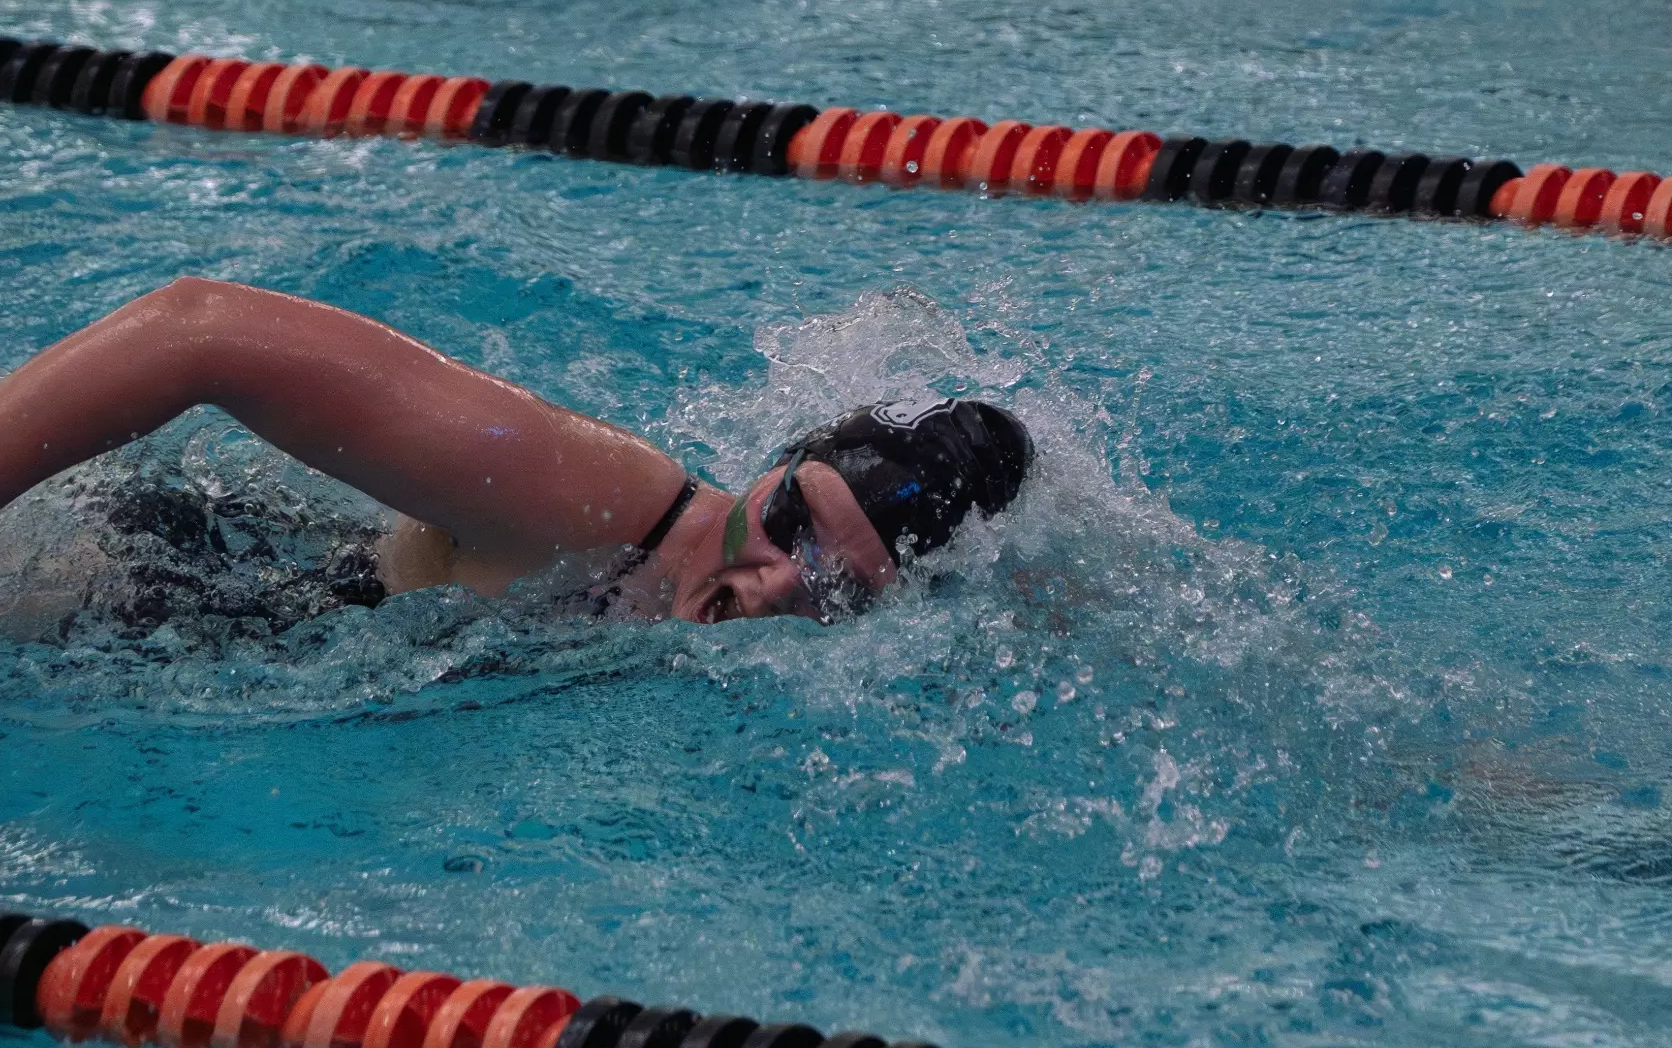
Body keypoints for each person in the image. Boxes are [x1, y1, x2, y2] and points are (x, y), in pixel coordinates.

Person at [0, 278, 1033, 625]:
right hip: (151, 594)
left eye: (834, 586)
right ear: (773, 467)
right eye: (791, 522)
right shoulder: (579, 496)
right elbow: (201, 327)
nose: (772, 582)